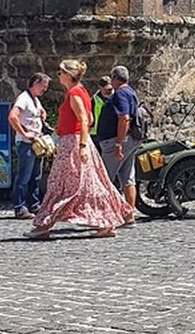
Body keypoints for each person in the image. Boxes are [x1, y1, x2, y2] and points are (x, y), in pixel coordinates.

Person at [26, 59, 133, 239]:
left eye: (60, 73)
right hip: (78, 141)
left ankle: (44, 225)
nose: (58, 76)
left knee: (60, 184)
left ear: (68, 75)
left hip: (74, 143)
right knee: (88, 184)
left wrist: (80, 144)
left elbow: (84, 120)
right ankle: (106, 222)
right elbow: (90, 119)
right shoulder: (82, 92)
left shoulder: (75, 93)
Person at [96, 65, 140, 221]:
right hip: (129, 140)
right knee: (128, 178)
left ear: (114, 77)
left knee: (104, 179)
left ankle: (105, 218)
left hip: (116, 140)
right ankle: (129, 215)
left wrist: (118, 144)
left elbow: (124, 118)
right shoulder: (130, 92)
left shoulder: (120, 93)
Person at [8, 73, 50, 219]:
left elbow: (37, 112)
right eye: (43, 85)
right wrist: (24, 134)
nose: (45, 89)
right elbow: (12, 116)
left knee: (36, 176)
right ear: (35, 83)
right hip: (26, 143)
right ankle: (19, 207)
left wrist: (42, 113)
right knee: (24, 176)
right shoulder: (24, 99)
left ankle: (34, 204)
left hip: (36, 143)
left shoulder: (35, 100)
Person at [90, 76, 113, 148]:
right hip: (95, 133)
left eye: (110, 89)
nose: (109, 91)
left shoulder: (114, 98)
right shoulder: (94, 99)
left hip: (109, 133)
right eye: (106, 89)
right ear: (100, 88)